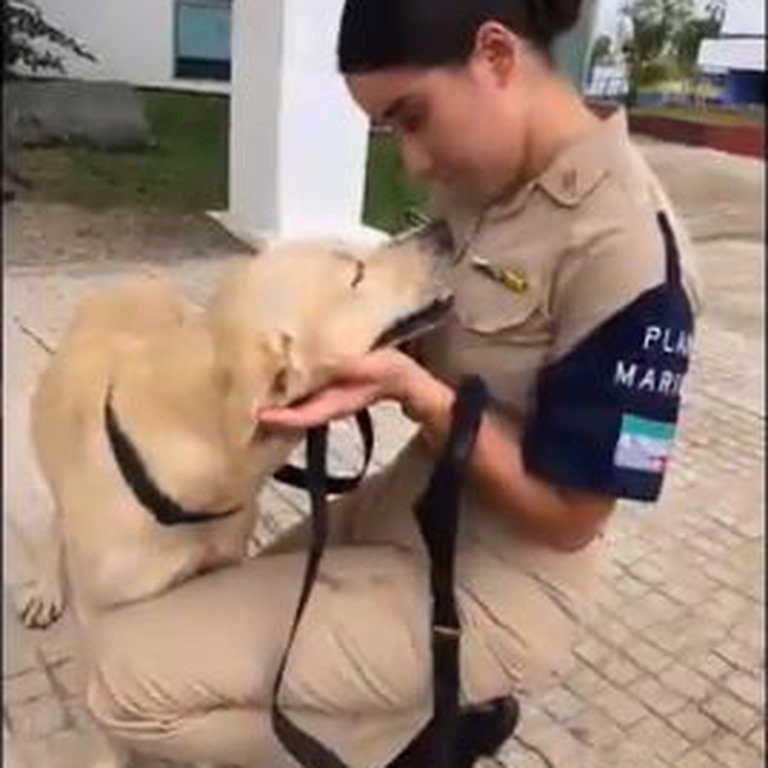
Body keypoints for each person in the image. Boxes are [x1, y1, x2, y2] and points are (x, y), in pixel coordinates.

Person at [85, 1, 702, 765]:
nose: (411, 161)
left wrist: (415, 393)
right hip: (401, 512)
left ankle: (420, 739)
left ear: (497, 57)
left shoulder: (631, 254)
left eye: (413, 117)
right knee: (188, 608)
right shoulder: (482, 180)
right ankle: (413, 721)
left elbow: (572, 519)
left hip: (493, 587)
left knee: (122, 687)